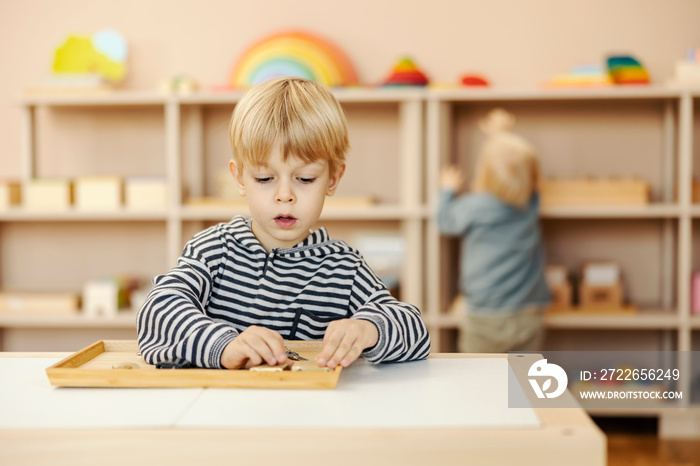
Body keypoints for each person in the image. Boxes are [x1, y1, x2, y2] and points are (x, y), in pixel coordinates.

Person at [137, 77, 430, 370]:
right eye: (264, 179)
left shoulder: (344, 268)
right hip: (218, 410)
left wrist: (371, 328)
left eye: (305, 179)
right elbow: (157, 310)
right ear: (239, 178)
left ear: (333, 179)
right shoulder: (213, 250)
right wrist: (222, 345)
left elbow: (415, 332)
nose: (285, 196)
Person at [436, 108, 551, 353]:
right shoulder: (529, 204)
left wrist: (447, 190)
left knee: (478, 379)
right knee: (525, 379)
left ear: (483, 175)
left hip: (482, 316)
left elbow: (445, 221)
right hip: (528, 312)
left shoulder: (474, 207)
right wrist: (501, 135)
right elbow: (516, 167)